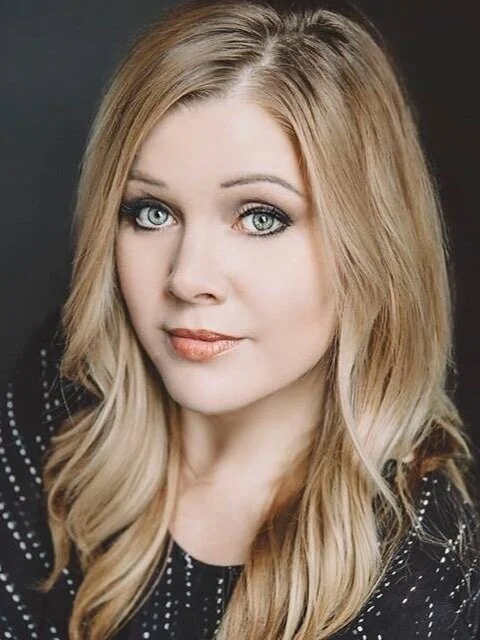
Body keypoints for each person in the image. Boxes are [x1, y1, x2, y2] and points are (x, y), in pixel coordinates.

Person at [1, 0, 479, 638]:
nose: (187, 278)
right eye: (151, 212)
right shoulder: (64, 390)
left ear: (372, 246)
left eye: (261, 217)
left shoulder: (425, 578)